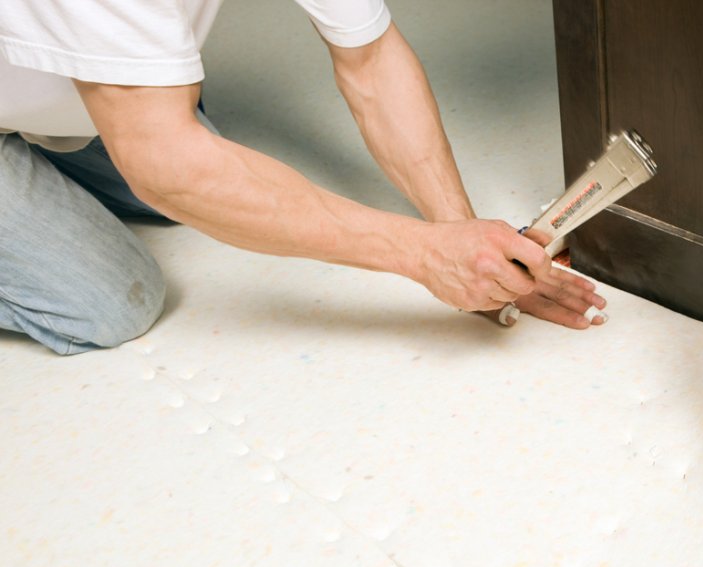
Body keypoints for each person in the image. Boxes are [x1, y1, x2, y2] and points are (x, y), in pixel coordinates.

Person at [0, 1, 606, 356]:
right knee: (110, 304)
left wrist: (465, 239)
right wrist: (425, 255)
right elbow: (165, 167)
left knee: (190, 178)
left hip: (65, 99)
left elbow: (370, 60)